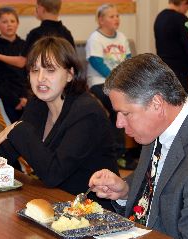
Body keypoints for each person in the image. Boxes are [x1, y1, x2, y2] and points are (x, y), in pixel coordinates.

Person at [0, 36, 119, 211]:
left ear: (70, 74)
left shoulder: (86, 112)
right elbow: (2, 155)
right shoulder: (38, 104)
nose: (40, 78)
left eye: (50, 70)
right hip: (57, 204)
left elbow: (53, 173)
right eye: (35, 70)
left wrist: (19, 128)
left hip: (93, 210)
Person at [88, 53, 188, 238]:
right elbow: (159, 181)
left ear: (157, 103)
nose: (119, 123)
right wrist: (125, 191)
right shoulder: (164, 121)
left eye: (125, 113)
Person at [85, 3, 132, 169]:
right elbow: (96, 62)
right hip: (100, 83)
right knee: (117, 108)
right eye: (111, 16)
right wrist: (116, 80)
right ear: (101, 20)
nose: (116, 19)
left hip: (120, 83)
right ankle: (117, 153)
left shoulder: (122, 37)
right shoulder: (95, 38)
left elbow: (128, 60)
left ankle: (131, 149)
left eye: (117, 15)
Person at [0, 0, 75, 68]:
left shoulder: (36, 34)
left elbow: (22, 62)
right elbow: (72, 60)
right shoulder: (66, 33)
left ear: (41, 9)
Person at [0, 6, 29, 127]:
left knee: (27, 134)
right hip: (3, 99)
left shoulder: (25, 46)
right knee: (10, 133)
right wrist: (15, 101)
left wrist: (25, 96)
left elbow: (28, 74)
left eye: (12, 21)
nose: (9, 25)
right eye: (4, 22)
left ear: (18, 24)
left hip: (25, 99)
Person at [154, 0, 188, 93]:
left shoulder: (160, 17)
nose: (186, 11)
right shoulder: (182, 19)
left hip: (162, 70)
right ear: (184, 2)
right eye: (187, 8)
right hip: (179, 73)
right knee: (182, 103)